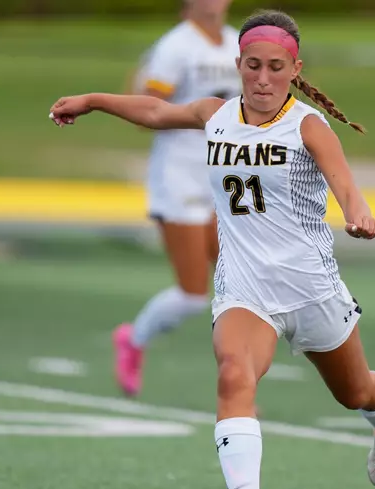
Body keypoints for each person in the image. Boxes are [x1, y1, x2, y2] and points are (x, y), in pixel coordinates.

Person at [50, 9, 375, 489]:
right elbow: (153, 110)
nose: (263, 78)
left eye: (276, 68)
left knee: (357, 393)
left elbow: (344, 184)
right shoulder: (215, 114)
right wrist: (92, 101)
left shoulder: (306, 125)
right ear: (237, 63)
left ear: (295, 68)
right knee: (234, 375)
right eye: (253, 65)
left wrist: (359, 215)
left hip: (310, 290)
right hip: (245, 290)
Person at [114, 0, 241, 397]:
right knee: (192, 294)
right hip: (180, 177)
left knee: (241, 285)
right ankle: (134, 339)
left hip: (224, 176)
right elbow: (148, 112)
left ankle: (240, 387)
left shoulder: (239, 42)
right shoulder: (175, 46)